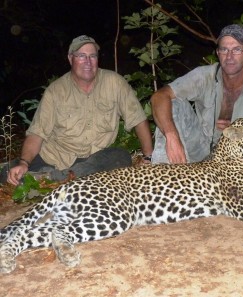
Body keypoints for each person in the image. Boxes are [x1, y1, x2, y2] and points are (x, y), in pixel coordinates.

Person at [7, 35, 153, 186]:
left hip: (94, 159)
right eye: (81, 56)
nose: (88, 62)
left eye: (92, 56)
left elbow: (138, 119)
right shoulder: (55, 91)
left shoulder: (115, 82)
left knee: (120, 157)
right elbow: (37, 133)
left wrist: (148, 157)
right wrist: (24, 162)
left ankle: (59, 178)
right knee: (10, 174)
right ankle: (57, 177)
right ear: (71, 59)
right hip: (55, 157)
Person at [150, 24, 243, 179]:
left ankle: (220, 189)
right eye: (224, 49)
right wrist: (171, 136)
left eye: (236, 49)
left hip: (238, 160)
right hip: (200, 150)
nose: (229, 56)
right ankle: (164, 179)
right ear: (217, 52)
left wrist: (238, 137)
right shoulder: (204, 76)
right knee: (173, 105)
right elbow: (159, 97)